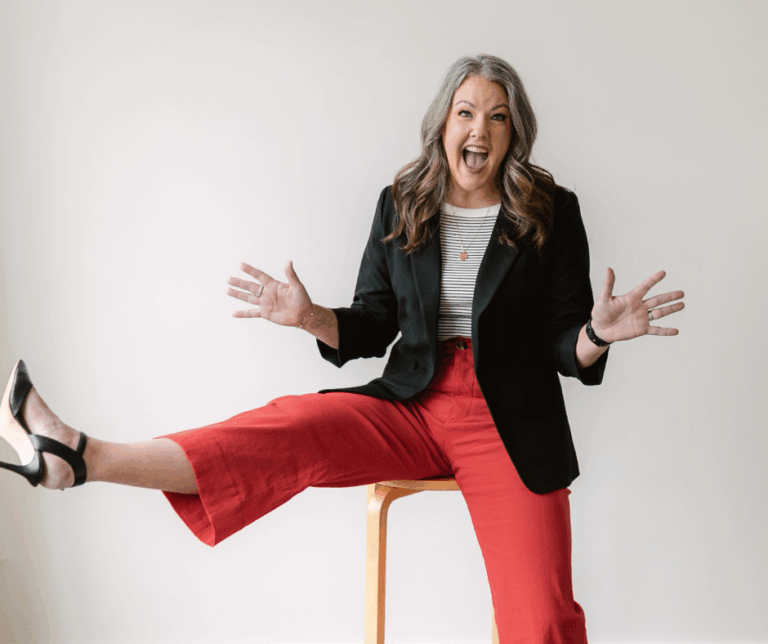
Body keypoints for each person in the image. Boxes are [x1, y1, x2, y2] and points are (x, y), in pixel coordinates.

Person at [0, 54, 684, 643]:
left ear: (515, 132)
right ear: (443, 124)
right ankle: (79, 458)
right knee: (285, 426)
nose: (480, 129)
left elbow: (565, 345)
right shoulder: (403, 202)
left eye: (498, 116)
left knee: (541, 622)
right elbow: (371, 323)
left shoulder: (550, 209)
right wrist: (310, 317)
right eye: (466, 112)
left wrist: (598, 334)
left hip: (509, 421)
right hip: (413, 401)